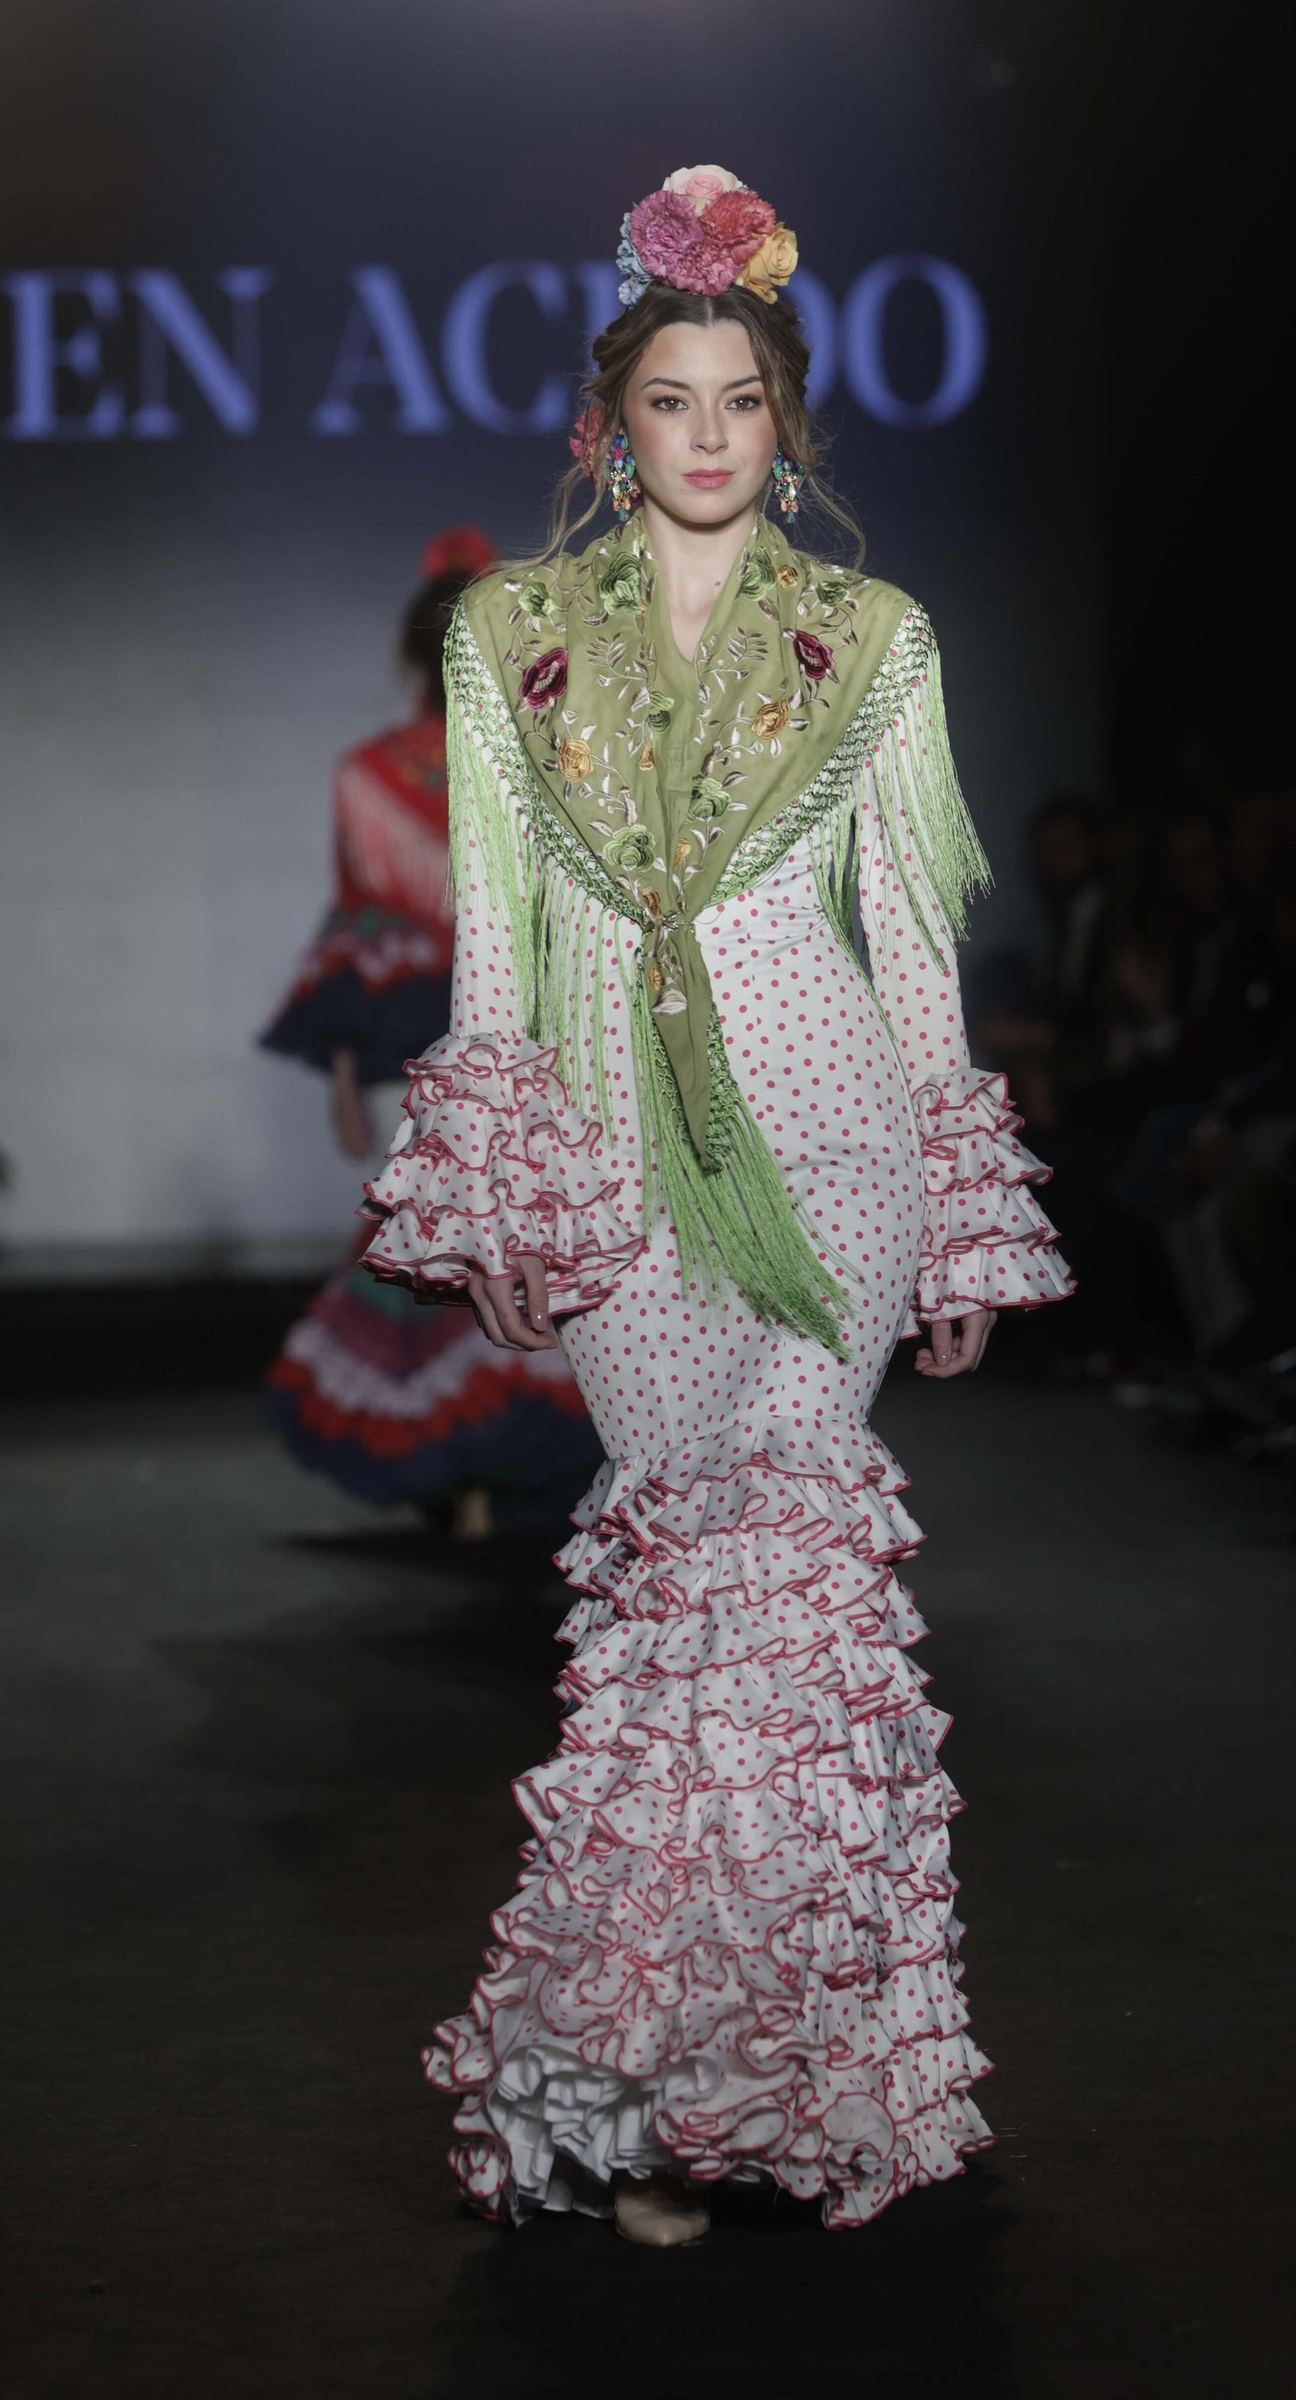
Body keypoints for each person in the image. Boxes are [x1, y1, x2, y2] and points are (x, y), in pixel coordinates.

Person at [363, 164, 1070, 2244]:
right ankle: (663, 2081)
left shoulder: (872, 638)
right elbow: (493, 936)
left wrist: (956, 1203)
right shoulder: (514, 642)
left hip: (837, 1129)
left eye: (735, 401)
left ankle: (793, 2088)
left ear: (787, 424)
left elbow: (917, 944)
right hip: (608, 1152)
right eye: (664, 399)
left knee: (797, 1568)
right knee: (687, 1606)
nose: (701, 433)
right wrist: (498, 1191)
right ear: (611, 422)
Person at [259, 531, 601, 1538]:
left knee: (440, 1244)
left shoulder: (368, 774)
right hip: (542, 1042)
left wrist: (345, 1070)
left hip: (435, 1048)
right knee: (533, 1236)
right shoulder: (552, 771)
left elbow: (362, 927)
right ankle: (517, 1463)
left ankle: (467, 1473)